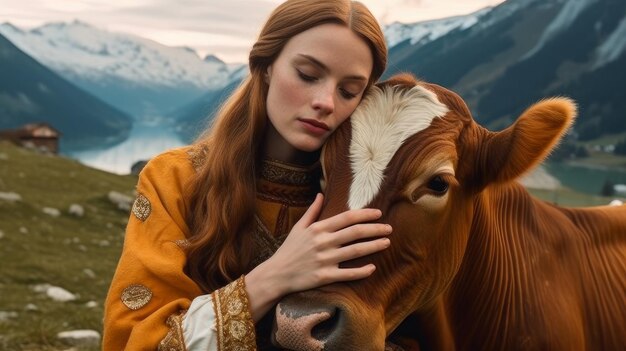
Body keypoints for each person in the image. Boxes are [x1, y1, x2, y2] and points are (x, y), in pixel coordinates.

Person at [102, 0, 390, 349]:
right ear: (265, 66)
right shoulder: (175, 178)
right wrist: (275, 276)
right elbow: (134, 340)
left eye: (349, 91)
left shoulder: (367, 201)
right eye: (308, 75)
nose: (327, 102)